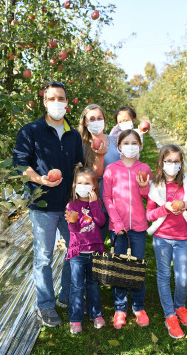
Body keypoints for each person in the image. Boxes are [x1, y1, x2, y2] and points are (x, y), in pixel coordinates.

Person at [12, 81, 84, 327]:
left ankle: (65, 295)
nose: (57, 103)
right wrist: (39, 179)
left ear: (67, 102)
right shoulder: (30, 131)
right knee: (43, 257)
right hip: (42, 204)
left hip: (68, 205)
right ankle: (45, 305)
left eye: (61, 98)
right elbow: (20, 163)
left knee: (75, 252)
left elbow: (78, 165)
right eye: (51, 98)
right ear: (44, 101)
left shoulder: (73, 135)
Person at [146, 144, 187, 339]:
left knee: (183, 278)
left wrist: (186, 204)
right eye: (168, 161)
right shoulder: (156, 185)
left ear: (181, 163)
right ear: (161, 163)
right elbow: (150, 214)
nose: (172, 165)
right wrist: (166, 209)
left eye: (176, 161)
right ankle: (169, 314)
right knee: (163, 275)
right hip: (162, 237)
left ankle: (180, 306)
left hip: (182, 238)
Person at [102, 129, 152, 329]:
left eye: (134, 143)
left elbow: (150, 198)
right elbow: (107, 197)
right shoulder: (111, 170)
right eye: (126, 143)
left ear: (139, 146)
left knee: (136, 266)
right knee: (120, 267)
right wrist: (116, 221)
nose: (130, 146)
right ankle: (120, 307)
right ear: (119, 146)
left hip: (138, 226)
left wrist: (143, 187)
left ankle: (138, 306)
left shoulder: (145, 168)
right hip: (118, 227)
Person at [65, 164, 106, 334]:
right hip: (78, 253)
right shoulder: (71, 205)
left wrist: (94, 203)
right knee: (77, 286)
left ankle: (95, 314)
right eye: (80, 183)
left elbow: (101, 221)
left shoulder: (96, 202)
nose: (83, 186)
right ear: (75, 185)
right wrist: (73, 221)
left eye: (87, 183)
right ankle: (75, 318)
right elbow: (73, 231)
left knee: (93, 284)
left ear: (94, 186)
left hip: (95, 251)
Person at [78, 104, 120, 240]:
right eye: (92, 119)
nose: (96, 121)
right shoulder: (82, 146)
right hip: (96, 201)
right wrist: (100, 156)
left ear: (104, 120)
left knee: (119, 242)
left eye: (99, 118)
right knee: (95, 242)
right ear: (85, 123)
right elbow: (93, 177)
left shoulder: (115, 140)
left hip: (118, 199)